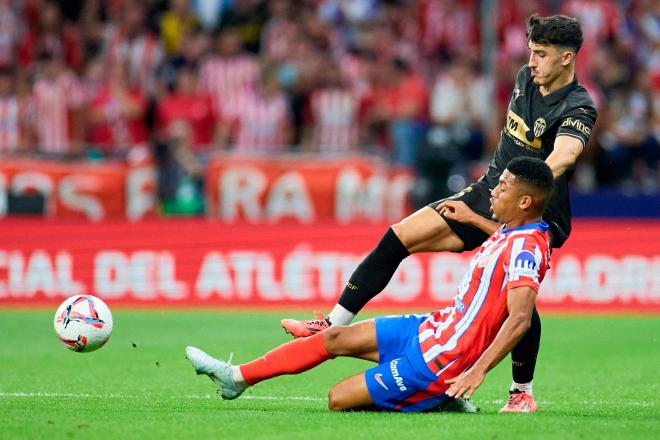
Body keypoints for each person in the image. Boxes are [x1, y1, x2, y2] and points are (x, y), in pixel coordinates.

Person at [281, 14, 598, 413]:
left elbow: (565, 154)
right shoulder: (525, 78)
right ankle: (333, 323)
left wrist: (526, 184)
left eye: (541, 55)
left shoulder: (578, 106)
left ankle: (521, 392)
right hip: (490, 192)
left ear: (567, 58)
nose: (532, 62)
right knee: (400, 235)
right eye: (531, 52)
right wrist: (500, 187)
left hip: (534, 209)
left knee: (516, 298)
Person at [187, 157, 553, 413]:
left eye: (502, 187)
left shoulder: (525, 249)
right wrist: (472, 217)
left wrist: (478, 371)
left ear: (524, 200)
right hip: (432, 328)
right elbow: (510, 241)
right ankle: (234, 378)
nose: (493, 191)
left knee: (338, 398)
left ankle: (436, 398)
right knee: (331, 338)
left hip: (441, 361)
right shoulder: (517, 233)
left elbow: (520, 319)